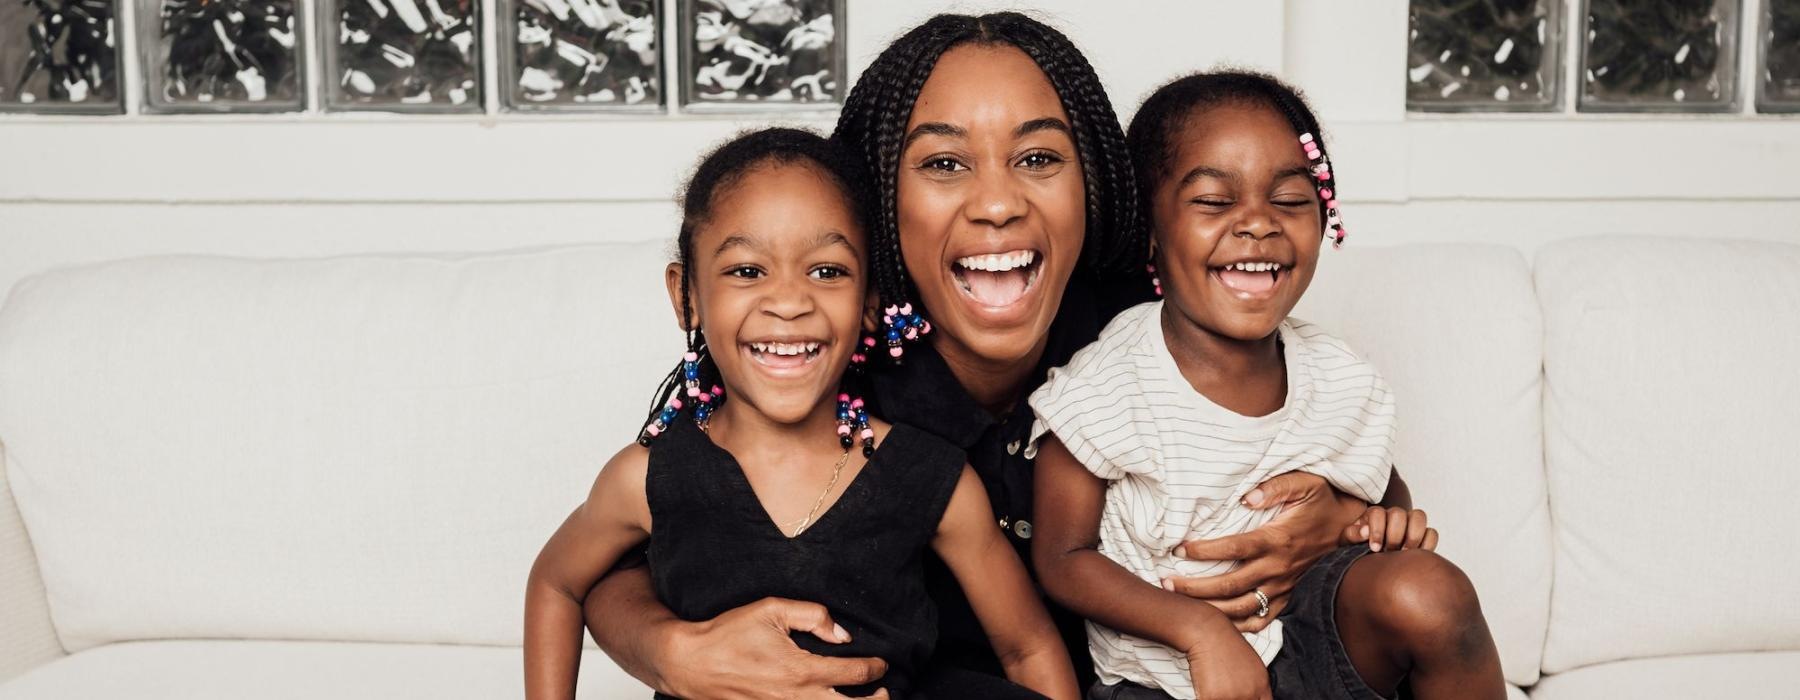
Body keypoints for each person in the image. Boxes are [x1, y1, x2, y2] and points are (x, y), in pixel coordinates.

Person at [581, 14, 1421, 698]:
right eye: (944, 163)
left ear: (1092, 183)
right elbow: (624, 551)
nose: (996, 202)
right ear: (877, 199)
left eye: (1038, 158)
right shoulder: (814, 364)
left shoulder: (1154, 339)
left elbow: (1335, 438)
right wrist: (667, 652)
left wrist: (1338, 521)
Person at [524, 127, 1077, 700]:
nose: (789, 302)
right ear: (687, 295)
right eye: (747, 270)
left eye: (827, 271)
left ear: (869, 304)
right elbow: (556, 584)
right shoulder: (644, 476)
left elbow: (1027, 648)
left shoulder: (930, 476)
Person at [1029, 71, 1507, 700]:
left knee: (1433, 590)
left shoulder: (1338, 374)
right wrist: (1200, 630)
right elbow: (1062, 560)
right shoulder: (1108, 383)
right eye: (1213, 201)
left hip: (1316, 651)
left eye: (1288, 199)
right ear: (1150, 229)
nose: (1258, 224)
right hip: (1167, 679)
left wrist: (1386, 525)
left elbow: (1379, 488)